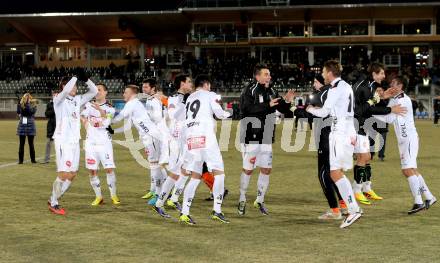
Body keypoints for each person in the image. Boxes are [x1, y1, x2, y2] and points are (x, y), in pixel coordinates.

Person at [307, 60, 362, 228]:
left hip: (340, 133)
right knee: (336, 172)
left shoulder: (335, 88)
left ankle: (353, 209)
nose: (322, 75)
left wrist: (309, 109)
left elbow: (324, 111)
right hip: (348, 131)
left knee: (335, 173)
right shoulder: (346, 86)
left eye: (323, 72)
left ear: (330, 72)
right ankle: (351, 208)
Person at [373, 76, 436, 214]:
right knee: (412, 170)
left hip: (408, 139)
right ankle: (429, 197)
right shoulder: (395, 99)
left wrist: (370, 112)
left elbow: (389, 118)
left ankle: (418, 202)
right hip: (405, 139)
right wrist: (381, 99)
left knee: (407, 170)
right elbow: (388, 115)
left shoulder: (403, 100)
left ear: (400, 86)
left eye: (393, 84)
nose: (390, 86)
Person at [238, 63, 295, 216]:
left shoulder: (272, 90)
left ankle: (260, 200)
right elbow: (246, 110)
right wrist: (266, 105)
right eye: (266, 74)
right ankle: (242, 199)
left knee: (266, 169)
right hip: (251, 137)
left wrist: (287, 101)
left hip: (267, 136)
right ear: (257, 76)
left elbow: (281, 108)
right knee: (248, 170)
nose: (269, 76)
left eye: (269, 74)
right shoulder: (249, 90)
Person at [179, 74, 231, 225]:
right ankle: (217, 210)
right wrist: (228, 113)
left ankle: (184, 213)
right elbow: (219, 113)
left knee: (195, 175)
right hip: (206, 137)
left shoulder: (189, 98)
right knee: (219, 173)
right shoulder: (210, 94)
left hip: (191, 138)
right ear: (207, 84)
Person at [351, 63, 405, 205]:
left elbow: (371, 103)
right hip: (356, 125)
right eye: (381, 73)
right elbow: (367, 109)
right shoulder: (366, 86)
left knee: (367, 157)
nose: (383, 76)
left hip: (361, 124)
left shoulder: (368, 84)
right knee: (363, 157)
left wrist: (384, 96)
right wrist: (390, 110)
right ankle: (357, 190)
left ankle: (367, 188)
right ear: (374, 74)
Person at [48, 72, 98, 215]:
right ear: (65, 85)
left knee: (72, 174)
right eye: (73, 85)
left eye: (76, 85)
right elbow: (64, 91)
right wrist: (75, 77)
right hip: (63, 140)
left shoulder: (78, 99)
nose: (75, 87)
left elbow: (93, 91)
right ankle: (54, 203)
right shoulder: (59, 99)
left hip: (75, 141)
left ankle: (53, 197)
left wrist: (86, 79)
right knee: (64, 173)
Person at [308, 74, 347, 220]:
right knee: (334, 173)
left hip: (326, 138)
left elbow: (311, 115)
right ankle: (343, 205)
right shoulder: (337, 90)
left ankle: (335, 210)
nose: (314, 84)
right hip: (337, 136)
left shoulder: (322, 94)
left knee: (324, 174)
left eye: (315, 81)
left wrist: (294, 108)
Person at [81, 83, 119, 206]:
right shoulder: (88, 105)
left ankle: (113, 195)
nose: (97, 92)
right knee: (92, 170)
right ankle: (99, 197)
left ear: (105, 92)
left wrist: (99, 110)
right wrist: (86, 123)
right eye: (95, 90)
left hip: (104, 142)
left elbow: (106, 122)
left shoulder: (110, 107)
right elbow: (82, 116)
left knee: (109, 169)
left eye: (100, 90)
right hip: (91, 142)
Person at [140, 78, 170, 206]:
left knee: (156, 164)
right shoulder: (154, 99)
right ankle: (161, 191)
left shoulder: (154, 100)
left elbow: (157, 117)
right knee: (158, 163)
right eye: (143, 87)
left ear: (153, 88)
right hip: (159, 134)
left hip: (155, 134)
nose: (143, 89)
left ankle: (160, 193)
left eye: (146, 87)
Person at [17, 93, 37, 164]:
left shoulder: (22, 104)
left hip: (28, 124)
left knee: (30, 144)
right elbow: (30, 112)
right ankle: (22, 160)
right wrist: (34, 106)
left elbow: (20, 112)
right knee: (23, 144)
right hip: (26, 124)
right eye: (28, 98)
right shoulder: (23, 105)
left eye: (29, 98)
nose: (29, 99)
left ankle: (32, 160)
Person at [42, 90, 57, 164]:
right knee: (48, 143)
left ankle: (60, 159)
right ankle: (46, 159)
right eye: (53, 95)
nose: (54, 96)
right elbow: (46, 114)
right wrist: (54, 109)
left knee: (59, 144)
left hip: (59, 126)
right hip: (51, 125)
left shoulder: (63, 103)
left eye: (56, 95)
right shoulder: (49, 104)